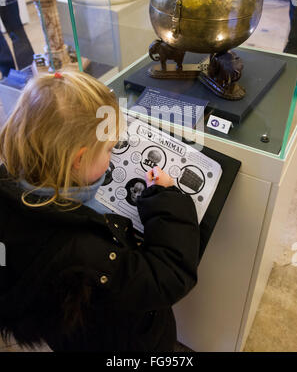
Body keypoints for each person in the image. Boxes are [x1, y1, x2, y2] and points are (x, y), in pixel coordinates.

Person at [0, 70, 200, 352]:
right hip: (121, 342)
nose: (112, 155)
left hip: (68, 333)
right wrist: (166, 199)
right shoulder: (83, 253)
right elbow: (167, 275)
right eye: (108, 149)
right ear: (78, 160)